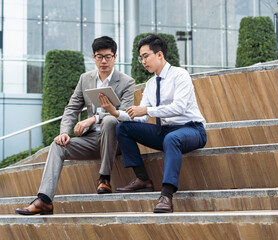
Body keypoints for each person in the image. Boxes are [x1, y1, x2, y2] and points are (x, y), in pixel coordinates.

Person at [15, 36, 135, 215]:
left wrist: (94, 118)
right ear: (93, 57)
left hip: (114, 142)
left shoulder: (126, 82)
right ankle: (45, 200)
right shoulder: (85, 79)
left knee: (110, 120)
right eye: (99, 56)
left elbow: (124, 113)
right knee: (57, 145)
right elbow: (72, 108)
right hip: (91, 140)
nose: (104, 61)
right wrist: (64, 132)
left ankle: (104, 178)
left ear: (115, 57)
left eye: (108, 56)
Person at [99, 34, 207, 213]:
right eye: (140, 57)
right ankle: (142, 179)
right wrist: (114, 112)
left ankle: (166, 195)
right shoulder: (150, 84)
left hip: (192, 130)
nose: (143, 61)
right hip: (165, 131)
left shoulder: (180, 75)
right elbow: (139, 117)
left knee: (172, 139)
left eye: (145, 56)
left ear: (160, 55)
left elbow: (178, 108)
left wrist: (148, 111)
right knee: (123, 128)